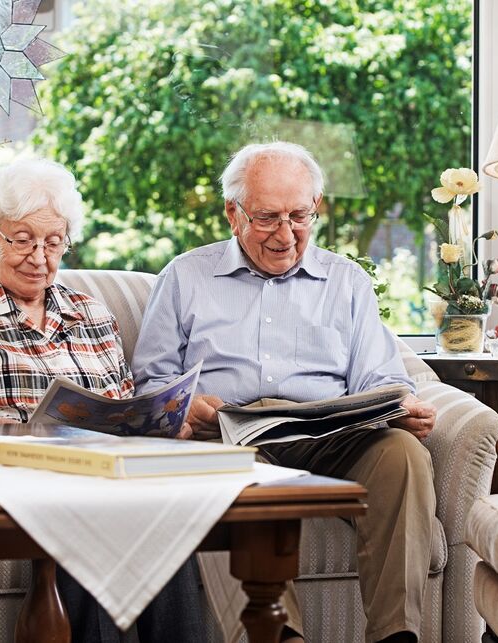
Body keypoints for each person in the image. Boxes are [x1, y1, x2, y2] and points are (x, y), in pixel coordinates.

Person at [132, 142, 439, 643]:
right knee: (237, 474)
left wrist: (400, 406)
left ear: (316, 208)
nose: (286, 233)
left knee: (402, 455)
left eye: (299, 216)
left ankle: (395, 635)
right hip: (232, 434)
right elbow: (151, 384)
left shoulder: (347, 282)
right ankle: (279, 636)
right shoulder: (185, 277)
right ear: (233, 214)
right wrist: (188, 405)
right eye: (267, 218)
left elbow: (380, 378)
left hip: (329, 431)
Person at [0, 158, 205, 643]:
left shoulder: (90, 312)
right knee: (92, 526)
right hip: (19, 482)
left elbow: (125, 407)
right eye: (23, 239)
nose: (39, 257)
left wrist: (160, 424)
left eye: (53, 242)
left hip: (109, 481)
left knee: (167, 522)